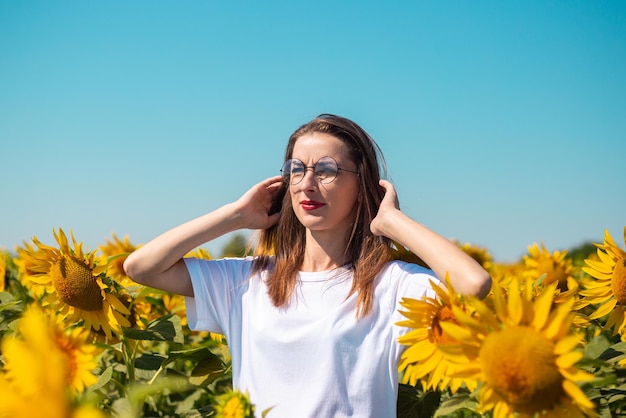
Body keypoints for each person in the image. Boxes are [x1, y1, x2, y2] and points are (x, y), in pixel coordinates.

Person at [123, 114, 491, 418]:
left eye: (327, 170)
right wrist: (234, 215)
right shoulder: (247, 279)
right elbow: (142, 267)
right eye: (296, 170)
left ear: (362, 185)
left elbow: (473, 284)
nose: (307, 184)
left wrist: (392, 222)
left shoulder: (391, 285)